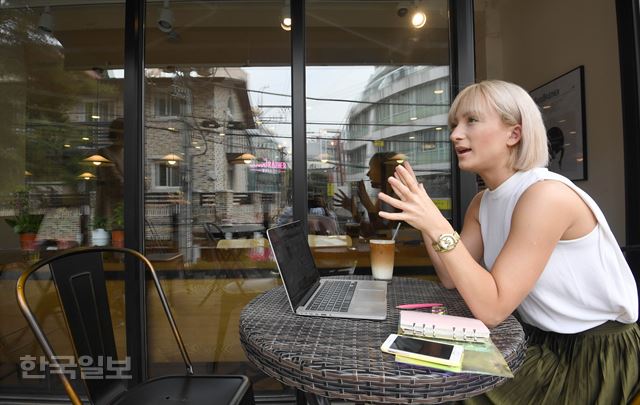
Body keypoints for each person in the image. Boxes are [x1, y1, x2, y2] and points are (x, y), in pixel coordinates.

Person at [377, 80, 639, 404]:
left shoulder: (546, 195)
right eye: (454, 124)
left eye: (471, 121)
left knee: (444, 383)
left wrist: (435, 221)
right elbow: (449, 277)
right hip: (531, 339)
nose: (455, 134)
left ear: (513, 134)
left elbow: (492, 309)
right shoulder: (482, 201)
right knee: (409, 345)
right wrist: (425, 217)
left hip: (591, 357)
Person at [333, 151, 401, 237]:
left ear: (386, 171)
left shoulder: (398, 197)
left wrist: (367, 202)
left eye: (372, 168)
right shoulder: (384, 197)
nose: (368, 174)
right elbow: (369, 231)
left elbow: (381, 233)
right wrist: (354, 211)